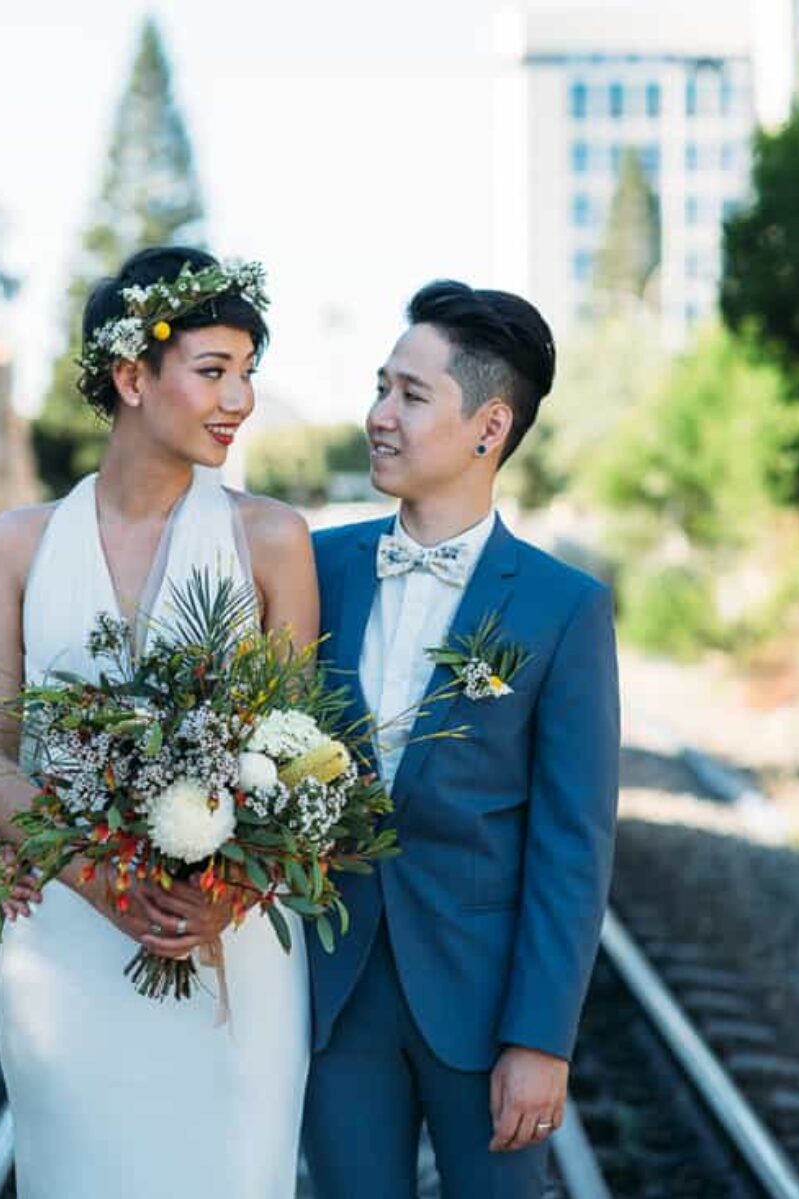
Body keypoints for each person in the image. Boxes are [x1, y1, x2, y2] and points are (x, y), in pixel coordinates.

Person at [0, 246, 318, 1198]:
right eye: (213, 371)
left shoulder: (273, 540)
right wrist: (97, 882)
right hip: (66, 942)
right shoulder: (19, 543)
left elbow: (299, 762)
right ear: (130, 376)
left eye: (248, 372)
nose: (239, 399)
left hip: (226, 949)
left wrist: (231, 896)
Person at [302, 280, 620, 1197]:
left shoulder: (564, 608)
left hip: (486, 1009)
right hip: (338, 994)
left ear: (489, 427)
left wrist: (541, 1041)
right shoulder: (317, 569)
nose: (378, 416)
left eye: (411, 394)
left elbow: (573, 843)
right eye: (379, 387)